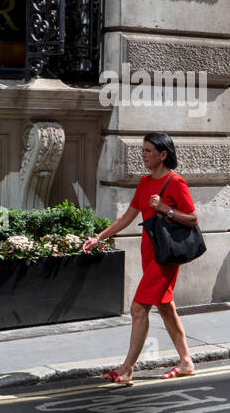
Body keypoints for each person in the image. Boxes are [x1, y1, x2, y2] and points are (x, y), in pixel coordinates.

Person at [81, 132, 198, 384]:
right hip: (149, 253)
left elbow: (192, 218)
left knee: (138, 308)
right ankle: (186, 361)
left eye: (148, 151)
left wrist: (164, 208)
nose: (143, 155)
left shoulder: (176, 182)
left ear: (163, 154)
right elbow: (127, 217)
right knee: (165, 307)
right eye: (142, 150)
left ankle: (127, 368)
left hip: (165, 257)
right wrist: (99, 238)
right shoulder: (145, 183)